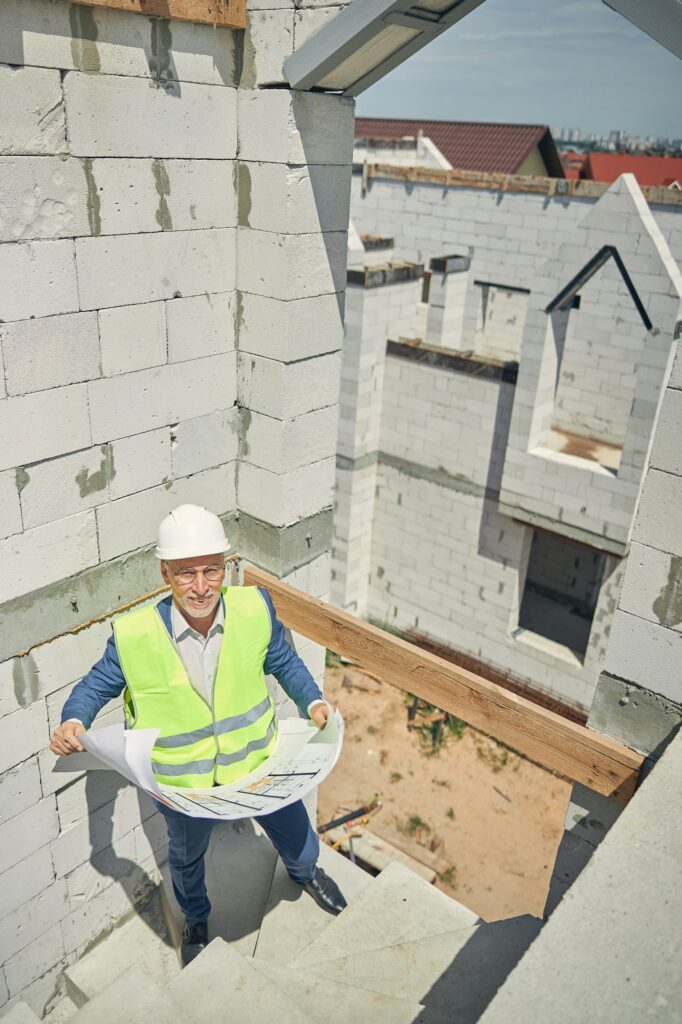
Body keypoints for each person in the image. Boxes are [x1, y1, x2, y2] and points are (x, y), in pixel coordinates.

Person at [50, 504, 346, 965]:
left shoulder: (254, 607)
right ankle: (197, 919)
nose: (202, 587)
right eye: (187, 574)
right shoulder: (135, 637)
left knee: (295, 831)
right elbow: (94, 687)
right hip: (185, 789)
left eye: (212, 570)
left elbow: (283, 660)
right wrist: (74, 720)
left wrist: (313, 702)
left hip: (255, 767)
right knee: (187, 863)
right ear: (165, 572)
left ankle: (306, 872)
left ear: (226, 567)